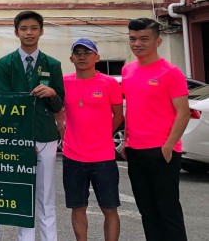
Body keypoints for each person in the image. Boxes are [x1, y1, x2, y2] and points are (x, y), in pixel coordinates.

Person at [0, 10, 64, 241]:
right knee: (23, 195)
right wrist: (23, 138)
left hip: (45, 136)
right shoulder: (5, 64)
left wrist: (52, 93)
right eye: (24, 29)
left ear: (41, 31)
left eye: (34, 28)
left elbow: (59, 104)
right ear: (16, 32)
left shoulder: (52, 64)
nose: (29, 33)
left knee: (46, 196)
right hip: (17, 137)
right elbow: (4, 104)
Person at [122, 18, 189, 241]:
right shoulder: (128, 70)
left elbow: (183, 112)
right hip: (135, 151)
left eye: (144, 39)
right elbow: (133, 109)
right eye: (133, 39)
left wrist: (168, 147)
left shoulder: (171, 72)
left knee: (168, 212)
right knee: (147, 212)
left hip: (162, 152)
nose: (137, 44)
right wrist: (126, 142)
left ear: (158, 41)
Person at [61, 38, 123, 241]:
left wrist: (103, 134)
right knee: (78, 207)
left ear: (97, 57)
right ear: (71, 58)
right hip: (73, 156)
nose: (82, 56)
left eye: (87, 52)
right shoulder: (64, 82)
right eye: (77, 52)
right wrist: (61, 129)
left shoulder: (109, 83)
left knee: (110, 208)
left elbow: (118, 115)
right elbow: (57, 109)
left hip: (103, 157)